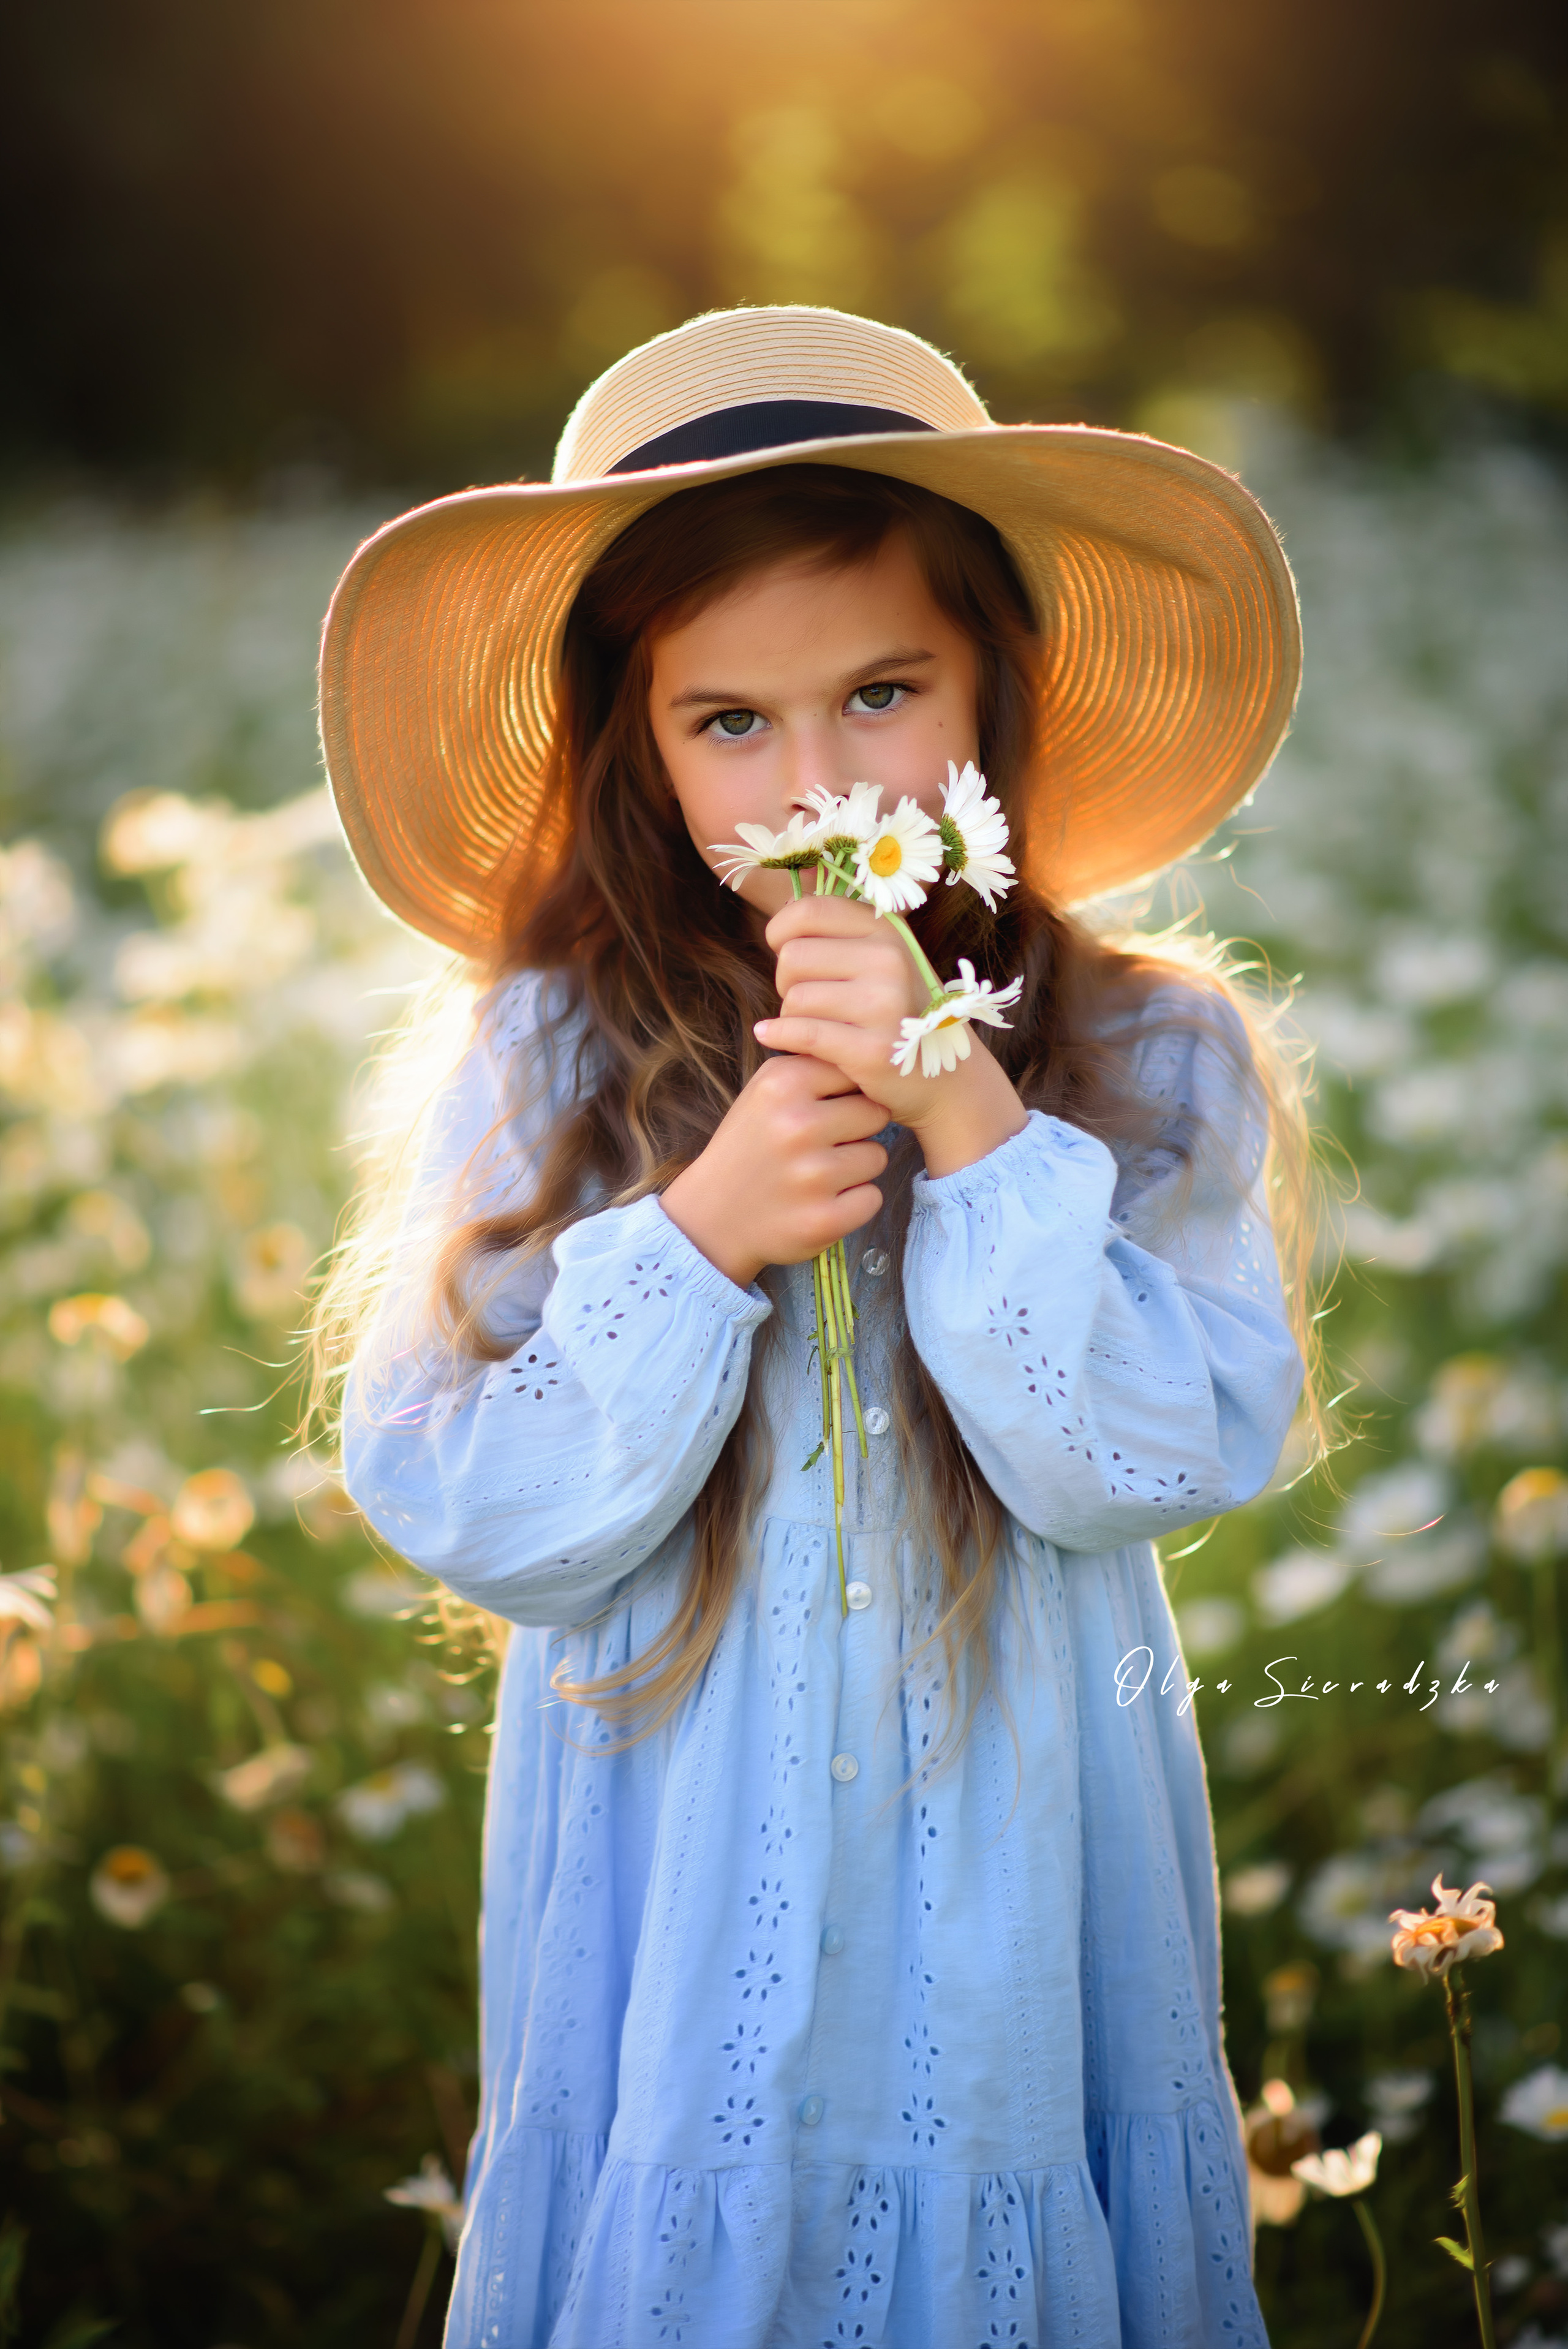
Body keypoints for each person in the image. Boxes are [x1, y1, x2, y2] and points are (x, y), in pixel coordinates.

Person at [314, 304, 1315, 2348]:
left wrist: (969, 1109)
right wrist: (691, 1239)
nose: (821, 781)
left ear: (992, 693)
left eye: (882, 692)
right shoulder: (551, 1047)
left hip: (1020, 1864)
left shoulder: (1151, 1052)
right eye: (731, 724)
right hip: (680, 1888)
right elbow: (478, 1506)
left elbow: (1143, 1452)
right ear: (637, 739)